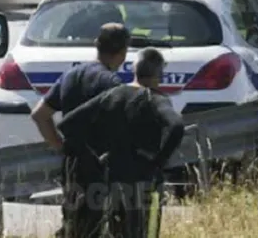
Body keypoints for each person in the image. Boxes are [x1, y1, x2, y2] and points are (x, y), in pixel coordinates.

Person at [58, 47, 186, 238]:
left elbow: (68, 125)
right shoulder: (156, 99)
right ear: (159, 73)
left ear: (134, 70)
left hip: (110, 177)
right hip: (142, 182)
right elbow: (176, 126)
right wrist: (157, 163)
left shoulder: (113, 95)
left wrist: (91, 158)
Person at [30, 22, 130, 238]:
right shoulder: (112, 83)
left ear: (97, 44)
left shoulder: (71, 76)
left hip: (72, 165)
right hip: (100, 167)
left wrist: (59, 144)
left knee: (74, 226)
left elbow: (39, 115)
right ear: (123, 53)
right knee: (100, 227)